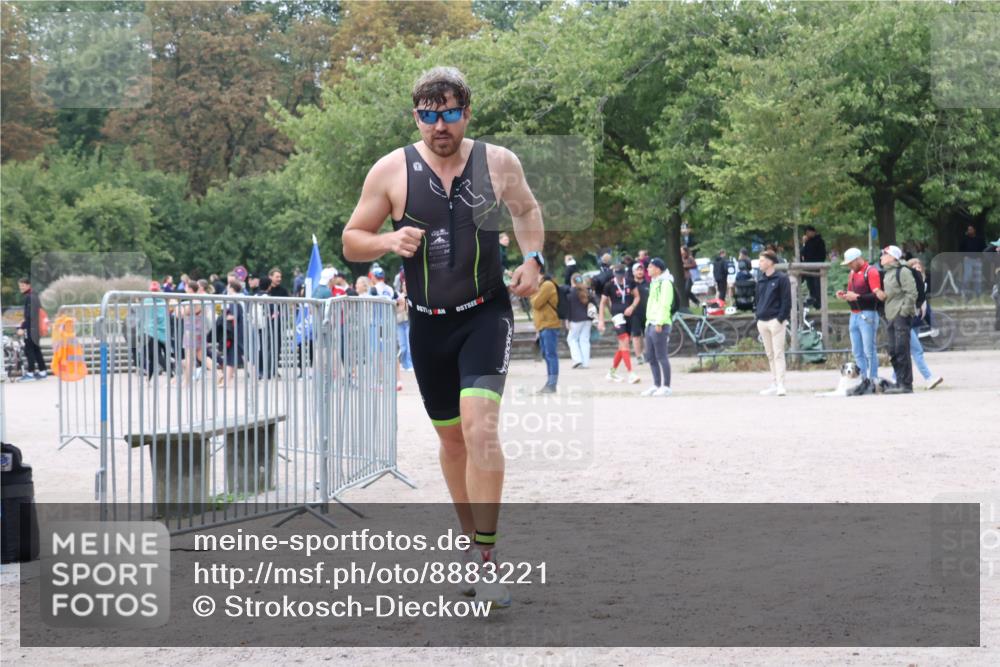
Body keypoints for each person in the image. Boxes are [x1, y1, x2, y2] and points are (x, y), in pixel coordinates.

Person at [341, 66, 545, 608]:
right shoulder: (391, 170)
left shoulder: (498, 162)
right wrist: (387, 241)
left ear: (466, 113)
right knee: (452, 441)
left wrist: (534, 258)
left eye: (449, 113)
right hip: (429, 323)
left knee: (481, 429)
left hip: (487, 313)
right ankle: (469, 540)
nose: (439, 126)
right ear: (416, 117)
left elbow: (526, 209)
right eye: (429, 116)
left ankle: (487, 558)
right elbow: (351, 240)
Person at [874, 245, 917, 394]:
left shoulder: (903, 271)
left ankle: (906, 384)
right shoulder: (887, 273)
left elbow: (911, 293)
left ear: (892, 256)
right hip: (891, 314)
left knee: (901, 349)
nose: (881, 257)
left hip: (900, 315)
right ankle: (899, 382)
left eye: (884, 254)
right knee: (892, 350)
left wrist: (904, 311)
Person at [835, 247, 882, 382]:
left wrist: (858, 297)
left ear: (857, 259)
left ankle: (873, 379)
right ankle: (862, 379)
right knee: (857, 352)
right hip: (854, 314)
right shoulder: (852, 273)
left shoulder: (871, 271)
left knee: (869, 351)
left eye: (850, 263)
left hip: (868, 314)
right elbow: (852, 293)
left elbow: (876, 295)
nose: (849, 265)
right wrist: (845, 295)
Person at [754, 250, 791, 396]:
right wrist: (757, 317)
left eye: (762, 260)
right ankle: (774, 382)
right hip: (762, 321)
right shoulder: (760, 279)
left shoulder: (782, 278)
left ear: (770, 262)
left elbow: (786, 301)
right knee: (769, 354)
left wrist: (780, 319)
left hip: (776, 321)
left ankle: (781, 384)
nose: (760, 263)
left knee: (778, 353)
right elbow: (757, 299)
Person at [597, 265, 641, 384]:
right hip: (617, 316)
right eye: (617, 275)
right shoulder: (609, 285)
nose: (619, 278)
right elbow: (602, 303)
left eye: (621, 275)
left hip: (629, 315)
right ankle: (630, 373)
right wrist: (601, 320)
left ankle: (611, 373)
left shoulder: (630, 282)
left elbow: (637, 297)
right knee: (625, 341)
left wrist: (632, 307)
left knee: (622, 346)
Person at [906, 258, 943, 390]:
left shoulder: (923, 284)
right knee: (917, 351)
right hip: (906, 322)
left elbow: (925, 306)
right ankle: (928, 378)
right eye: (914, 267)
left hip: (915, 323)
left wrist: (933, 323)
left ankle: (895, 378)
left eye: (919, 266)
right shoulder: (910, 284)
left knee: (906, 351)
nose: (918, 268)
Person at [640, 258, 674, 397]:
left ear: (658, 269)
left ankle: (666, 386)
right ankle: (656, 384)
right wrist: (649, 322)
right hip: (650, 323)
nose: (647, 269)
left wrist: (659, 322)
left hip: (660, 323)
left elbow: (665, 304)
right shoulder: (654, 283)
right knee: (651, 357)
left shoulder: (665, 283)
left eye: (650, 267)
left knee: (661, 356)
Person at [532, 273, 561, 393]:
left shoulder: (547, 285)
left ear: (541, 274)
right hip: (543, 326)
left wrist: (533, 291)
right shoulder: (541, 286)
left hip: (549, 324)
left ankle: (552, 384)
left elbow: (536, 303)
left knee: (551, 355)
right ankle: (549, 382)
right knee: (546, 355)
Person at [16, 278, 48, 381]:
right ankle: (43, 371)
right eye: (20, 286)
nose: (21, 288)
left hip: (31, 328)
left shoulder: (29, 297)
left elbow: (29, 315)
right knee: (36, 350)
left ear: (28, 285)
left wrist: (22, 327)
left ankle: (30, 374)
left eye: (23, 285)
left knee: (29, 350)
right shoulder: (35, 296)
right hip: (36, 328)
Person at [565, 272, 595, 369]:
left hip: (575, 320)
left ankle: (577, 360)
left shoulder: (570, 293)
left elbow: (568, 308)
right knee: (584, 340)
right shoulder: (587, 292)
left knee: (571, 339)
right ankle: (585, 362)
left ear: (572, 281)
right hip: (588, 319)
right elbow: (594, 304)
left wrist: (567, 320)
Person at [800, 225, 827, 308]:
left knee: (817, 285)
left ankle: (818, 302)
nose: (808, 234)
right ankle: (812, 299)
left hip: (816, 266)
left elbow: (822, 254)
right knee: (810, 284)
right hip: (807, 266)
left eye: (809, 232)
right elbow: (802, 252)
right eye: (806, 233)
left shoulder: (819, 241)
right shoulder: (808, 242)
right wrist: (804, 243)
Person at [958, 225, 986, 298]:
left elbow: (984, 249)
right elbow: (960, 249)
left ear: (974, 230)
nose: (970, 231)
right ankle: (964, 292)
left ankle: (978, 293)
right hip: (968, 260)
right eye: (968, 230)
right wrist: (964, 257)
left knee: (978, 277)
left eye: (971, 229)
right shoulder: (965, 239)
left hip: (977, 260)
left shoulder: (979, 239)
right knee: (967, 276)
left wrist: (981, 258)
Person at [630, 262, 649, 364]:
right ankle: (638, 357)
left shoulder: (649, 284)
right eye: (637, 270)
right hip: (635, 314)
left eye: (641, 270)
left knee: (647, 335)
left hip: (648, 313)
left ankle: (647, 355)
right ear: (633, 272)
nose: (640, 272)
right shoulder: (630, 285)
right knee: (636, 335)